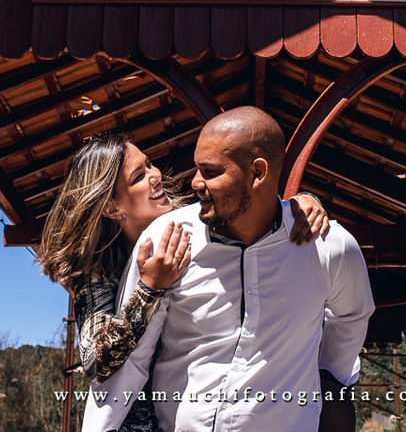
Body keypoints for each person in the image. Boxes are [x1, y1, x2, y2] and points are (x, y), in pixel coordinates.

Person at [83, 107, 374, 432]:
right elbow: (124, 362)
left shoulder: (327, 244)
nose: (193, 182)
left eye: (209, 171)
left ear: (257, 173)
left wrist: (327, 378)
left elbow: (351, 316)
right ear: (111, 207)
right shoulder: (161, 244)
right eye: (138, 176)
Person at [37, 131, 330, 432]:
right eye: (139, 176)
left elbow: (250, 209)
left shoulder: (194, 228)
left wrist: (296, 207)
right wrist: (149, 290)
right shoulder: (99, 270)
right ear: (112, 208)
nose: (156, 175)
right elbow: (97, 362)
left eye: (149, 164)